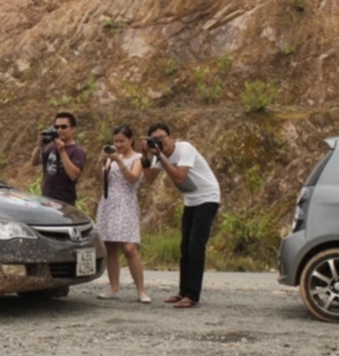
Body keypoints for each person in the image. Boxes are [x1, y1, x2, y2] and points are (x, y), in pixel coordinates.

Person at [140, 123, 220, 309]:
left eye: (163, 138)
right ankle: (183, 291)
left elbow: (180, 177)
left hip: (208, 197)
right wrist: (145, 155)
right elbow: (149, 179)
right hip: (191, 200)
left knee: (196, 246)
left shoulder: (185, 148)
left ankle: (192, 295)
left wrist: (159, 155)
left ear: (171, 137)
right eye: (155, 139)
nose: (160, 142)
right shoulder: (158, 156)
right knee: (185, 247)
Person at [94, 125, 151, 303]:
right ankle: (114, 287)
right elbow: (100, 179)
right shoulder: (110, 159)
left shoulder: (138, 158)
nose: (118, 145)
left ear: (131, 139)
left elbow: (133, 178)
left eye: (122, 141)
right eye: (116, 141)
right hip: (109, 203)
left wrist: (119, 161)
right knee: (110, 247)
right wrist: (100, 160)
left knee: (129, 248)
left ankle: (141, 290)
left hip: (126, 204)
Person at [30, 112, 86, 205]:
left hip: (64, 201)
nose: (59, 130)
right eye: (56, 127)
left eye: (63, 127)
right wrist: (39, 146)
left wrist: (62, 151)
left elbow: (74, 175)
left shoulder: (77, 151)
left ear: (73, 129)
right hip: (47, 197)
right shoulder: (52, 146)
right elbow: (34, 162)